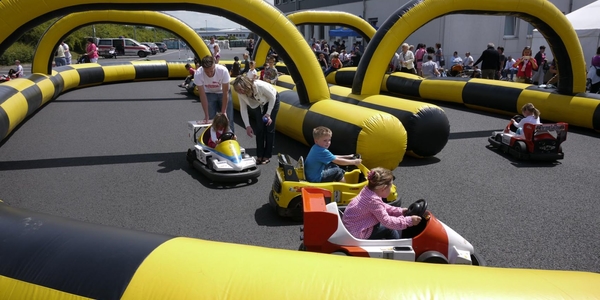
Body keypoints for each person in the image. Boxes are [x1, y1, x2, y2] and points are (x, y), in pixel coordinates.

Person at [342, 167, 422, 240]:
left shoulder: (368, 191)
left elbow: (382, 206)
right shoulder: (373, 200)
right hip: (358, 232)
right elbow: (387, 221)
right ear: (383, 188)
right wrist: (409, 221)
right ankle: (397, 248)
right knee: (389, 229)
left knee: (387, 221)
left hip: (353, 225)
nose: (391, 189)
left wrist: (400, 211)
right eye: (390, 187)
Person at [232, 75, 280, 165]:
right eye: (237, 90)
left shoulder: (260, 86)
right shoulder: (240, 93)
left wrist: (268, 113)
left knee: (269, 128)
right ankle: (260, 155)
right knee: (259, 128)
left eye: (241, 89)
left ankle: (267, 155)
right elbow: (243, 109)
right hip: (259, 104)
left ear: (246, 86)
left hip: (271, 100)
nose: (240, 92)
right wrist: (247, 126)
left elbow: (272, 97)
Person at [193, 55, 234, 132]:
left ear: (215, 65)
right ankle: (212, 140)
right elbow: (202, 95)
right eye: (207, 72)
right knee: (210, 119)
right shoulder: (198, 73)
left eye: (211, 71)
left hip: (222, 92)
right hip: (209, 93)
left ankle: (230, 138)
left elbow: (225, 92)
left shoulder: (223, 71)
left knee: (228, 118)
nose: (209, 74)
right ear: (203, 69)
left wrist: (223, 112)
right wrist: (206, 115)